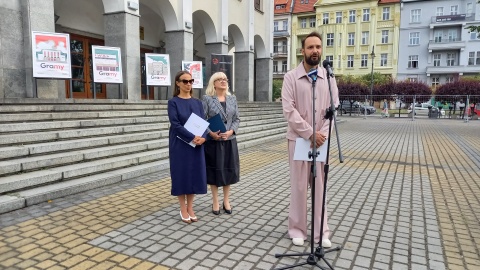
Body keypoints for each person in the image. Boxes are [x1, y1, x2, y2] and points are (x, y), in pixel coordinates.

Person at [281, 31, 339, 247]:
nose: (315, 51)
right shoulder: (290, 77)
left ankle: (321, 231)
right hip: (298, 140)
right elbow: (289, 109)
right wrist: (309, 133)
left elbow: (334, 108)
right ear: (302, 50)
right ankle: (297, 228)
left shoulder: (328, 77)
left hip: (321, 140)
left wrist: (322, 134)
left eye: (318, 47)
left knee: (319, 185)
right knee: (298, 186)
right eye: (311, 47)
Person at [168, 71, 207, 224]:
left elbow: (203, 122)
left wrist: (203, 137)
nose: (188, 84)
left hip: (197, 145)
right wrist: (192, 137)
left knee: (194, 175)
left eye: (191, 81)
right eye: (185, 81)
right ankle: (182, 207)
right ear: (177, 83)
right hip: (180, 144)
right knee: (181, 174)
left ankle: (190, 207)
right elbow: (175, 124)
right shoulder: (173, 102)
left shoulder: (198, 102)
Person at [202, 72, 240, 215]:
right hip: (214, 141)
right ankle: (215, 201)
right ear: (214, 83)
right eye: (220, 79)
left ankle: (226, 200)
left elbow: (237, 119)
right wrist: (210, 133)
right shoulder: (207, 99)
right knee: (214, 170)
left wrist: (231, 131)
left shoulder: (232, 99)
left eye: (225, 79)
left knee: (228, 170)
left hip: (229, 140)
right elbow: (202, 119)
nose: (223, 81)